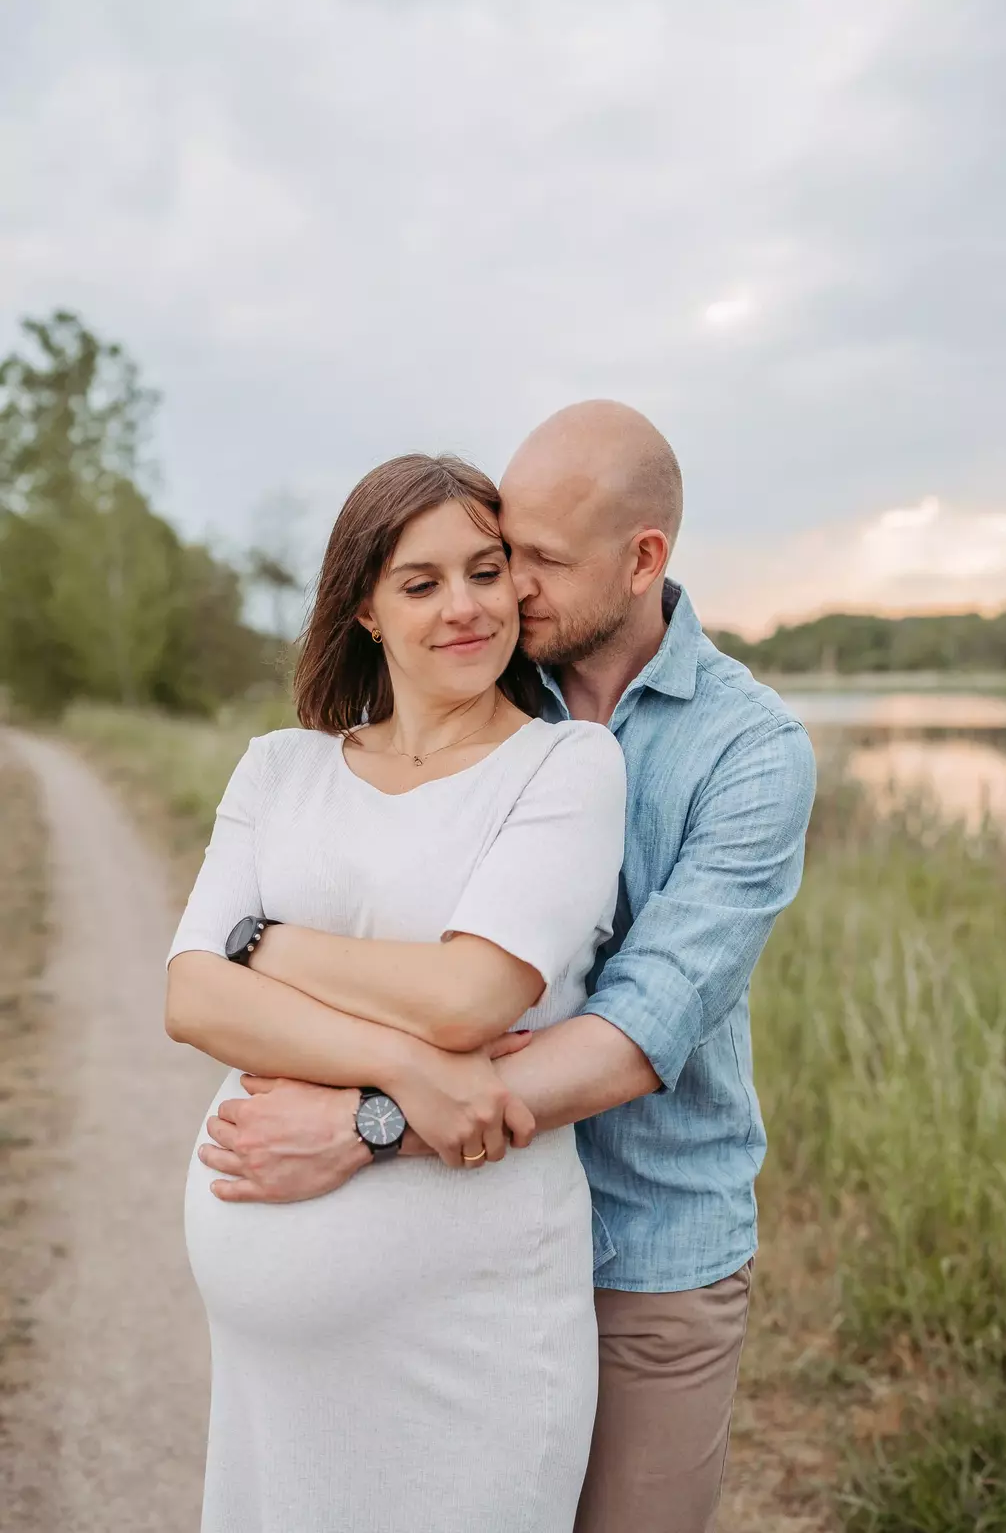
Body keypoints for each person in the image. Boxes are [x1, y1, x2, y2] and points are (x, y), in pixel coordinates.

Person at [197, 401, 818, 1533]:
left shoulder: (749, 753)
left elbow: (633, 1033)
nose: (503, 591)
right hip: (453, 1238)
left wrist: (367, 1120)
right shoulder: (491, 685)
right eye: (496, 554)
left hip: (644, 1238)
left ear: (643, 562)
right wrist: (263, 955)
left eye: (532, 561)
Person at [164, 453, 628, 1533]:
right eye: (420, 584)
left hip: (469, 1334)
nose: (464, 607)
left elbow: (471, 996)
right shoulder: (280, 769)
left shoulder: (565, 766)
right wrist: (411, 1064)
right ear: (365, 607)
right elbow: (192, 997)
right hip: (273, 1368)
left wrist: (265, 944)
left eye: (485, 569)